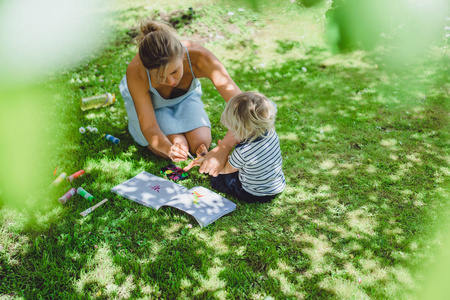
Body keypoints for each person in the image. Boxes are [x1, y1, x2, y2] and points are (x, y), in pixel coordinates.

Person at [119, 20, 241, 172]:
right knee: (177, 146)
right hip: (152, 105)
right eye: (160, 76)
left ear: (183, 56)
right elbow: (149, 127)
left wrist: (223, 148)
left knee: (200, 142)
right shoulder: (137, 72)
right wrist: (169, 149)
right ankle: (136, 125)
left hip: (185, 98)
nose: (171, 81)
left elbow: (242, 106)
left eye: (174, 71)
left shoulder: (200, 58)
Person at [185, 92, 286, 203]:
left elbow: (224, 170)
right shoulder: (271, 131)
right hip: (277, 186)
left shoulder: (243, 151)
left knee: (220, 179)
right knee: (239, 165)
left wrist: (207, 160)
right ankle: (232, 162)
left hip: (254, 194)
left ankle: (211, 160)